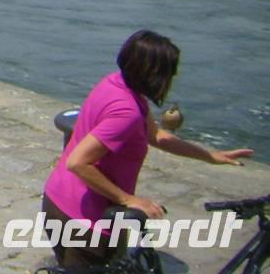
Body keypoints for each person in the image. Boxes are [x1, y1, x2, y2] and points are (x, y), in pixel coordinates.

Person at [41, 30, 251, 270]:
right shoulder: (126, 111)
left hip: (57, 201)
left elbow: (157, 136)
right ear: (153, 74)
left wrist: (211, 156)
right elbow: (78, 162)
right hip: (88, 222)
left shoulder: (116, 84)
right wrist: (127, 199)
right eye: (169, 74)